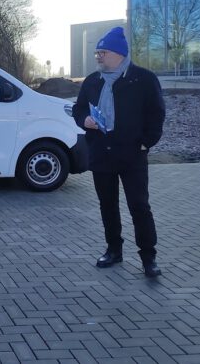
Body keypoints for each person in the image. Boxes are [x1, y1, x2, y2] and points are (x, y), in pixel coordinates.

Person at [73, 27, 166, 278]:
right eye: (96, 54)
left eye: (101, 52)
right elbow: (79, 109)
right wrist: (85, 121)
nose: (98, 57)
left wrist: (146, 143)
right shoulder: (93, 81)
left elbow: (156, 114)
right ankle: (114, 250)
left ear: (117, 53)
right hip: (101, 154)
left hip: (132, 156)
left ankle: (148, 257)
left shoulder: (144, 79)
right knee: (108, 206)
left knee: (139, 206)